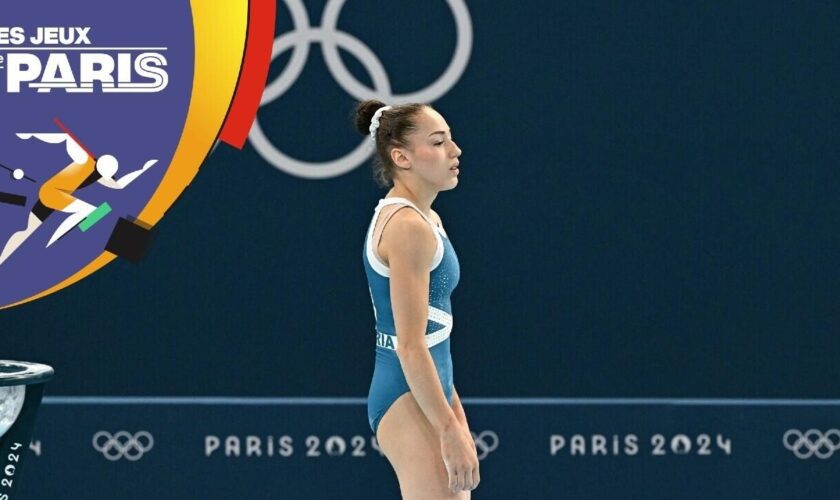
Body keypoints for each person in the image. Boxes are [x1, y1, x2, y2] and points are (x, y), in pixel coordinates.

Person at [358, 99, 479, 498]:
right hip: (404, 391)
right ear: (401, 157)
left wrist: (453, 410)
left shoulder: (427, 217)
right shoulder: (407, 227)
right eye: (439, 142)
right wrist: (447, 429)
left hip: (429, 387)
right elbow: (410, 345)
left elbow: (434, 334)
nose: (455, 150)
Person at [0, 132, 157, 265]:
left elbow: (119, 185)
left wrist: (143, 169)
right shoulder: (84, 159)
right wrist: (33, 134)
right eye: (103, 174)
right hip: (52, 193)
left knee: (26, 231)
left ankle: (2, 258)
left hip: (56, 198)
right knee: (92, 210)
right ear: (98, 164)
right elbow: (65, 138)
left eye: (105, 176)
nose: (104, 178)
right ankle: (65, 234)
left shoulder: (99, 174)